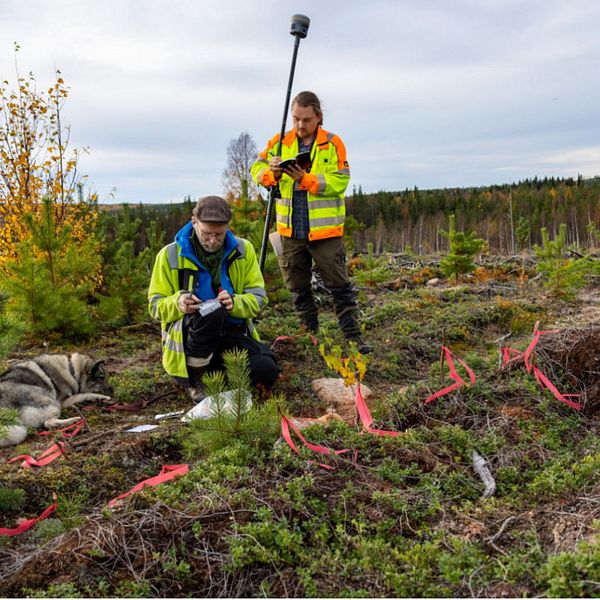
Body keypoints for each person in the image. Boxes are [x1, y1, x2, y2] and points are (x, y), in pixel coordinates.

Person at [251, 90, 371, 353]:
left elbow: (340, 181)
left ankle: (353, 337)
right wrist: (270, 175)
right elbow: (255, 169)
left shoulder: (333, 143)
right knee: (297, 285)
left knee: (339, 286)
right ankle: (311, 334)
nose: (300, 125)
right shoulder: (279, 142)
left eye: (306, 120)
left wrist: (305, 180)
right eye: (295, 119)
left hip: (325, 232)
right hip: (291, 230)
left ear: (318, 117)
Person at [148, 195, 279, 396]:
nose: (213, 240)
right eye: (206, 233)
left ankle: (214, 375)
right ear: (194, 223)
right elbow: (155, 306)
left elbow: (259, 298)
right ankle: (195, 378)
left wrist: (235, 302)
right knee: (211, 313)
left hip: (231, 332)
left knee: (267, 371)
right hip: (189, 339)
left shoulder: (244, 250)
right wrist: (178, 303)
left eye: (219, 234)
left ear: (228, 225)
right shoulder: (169, 255)